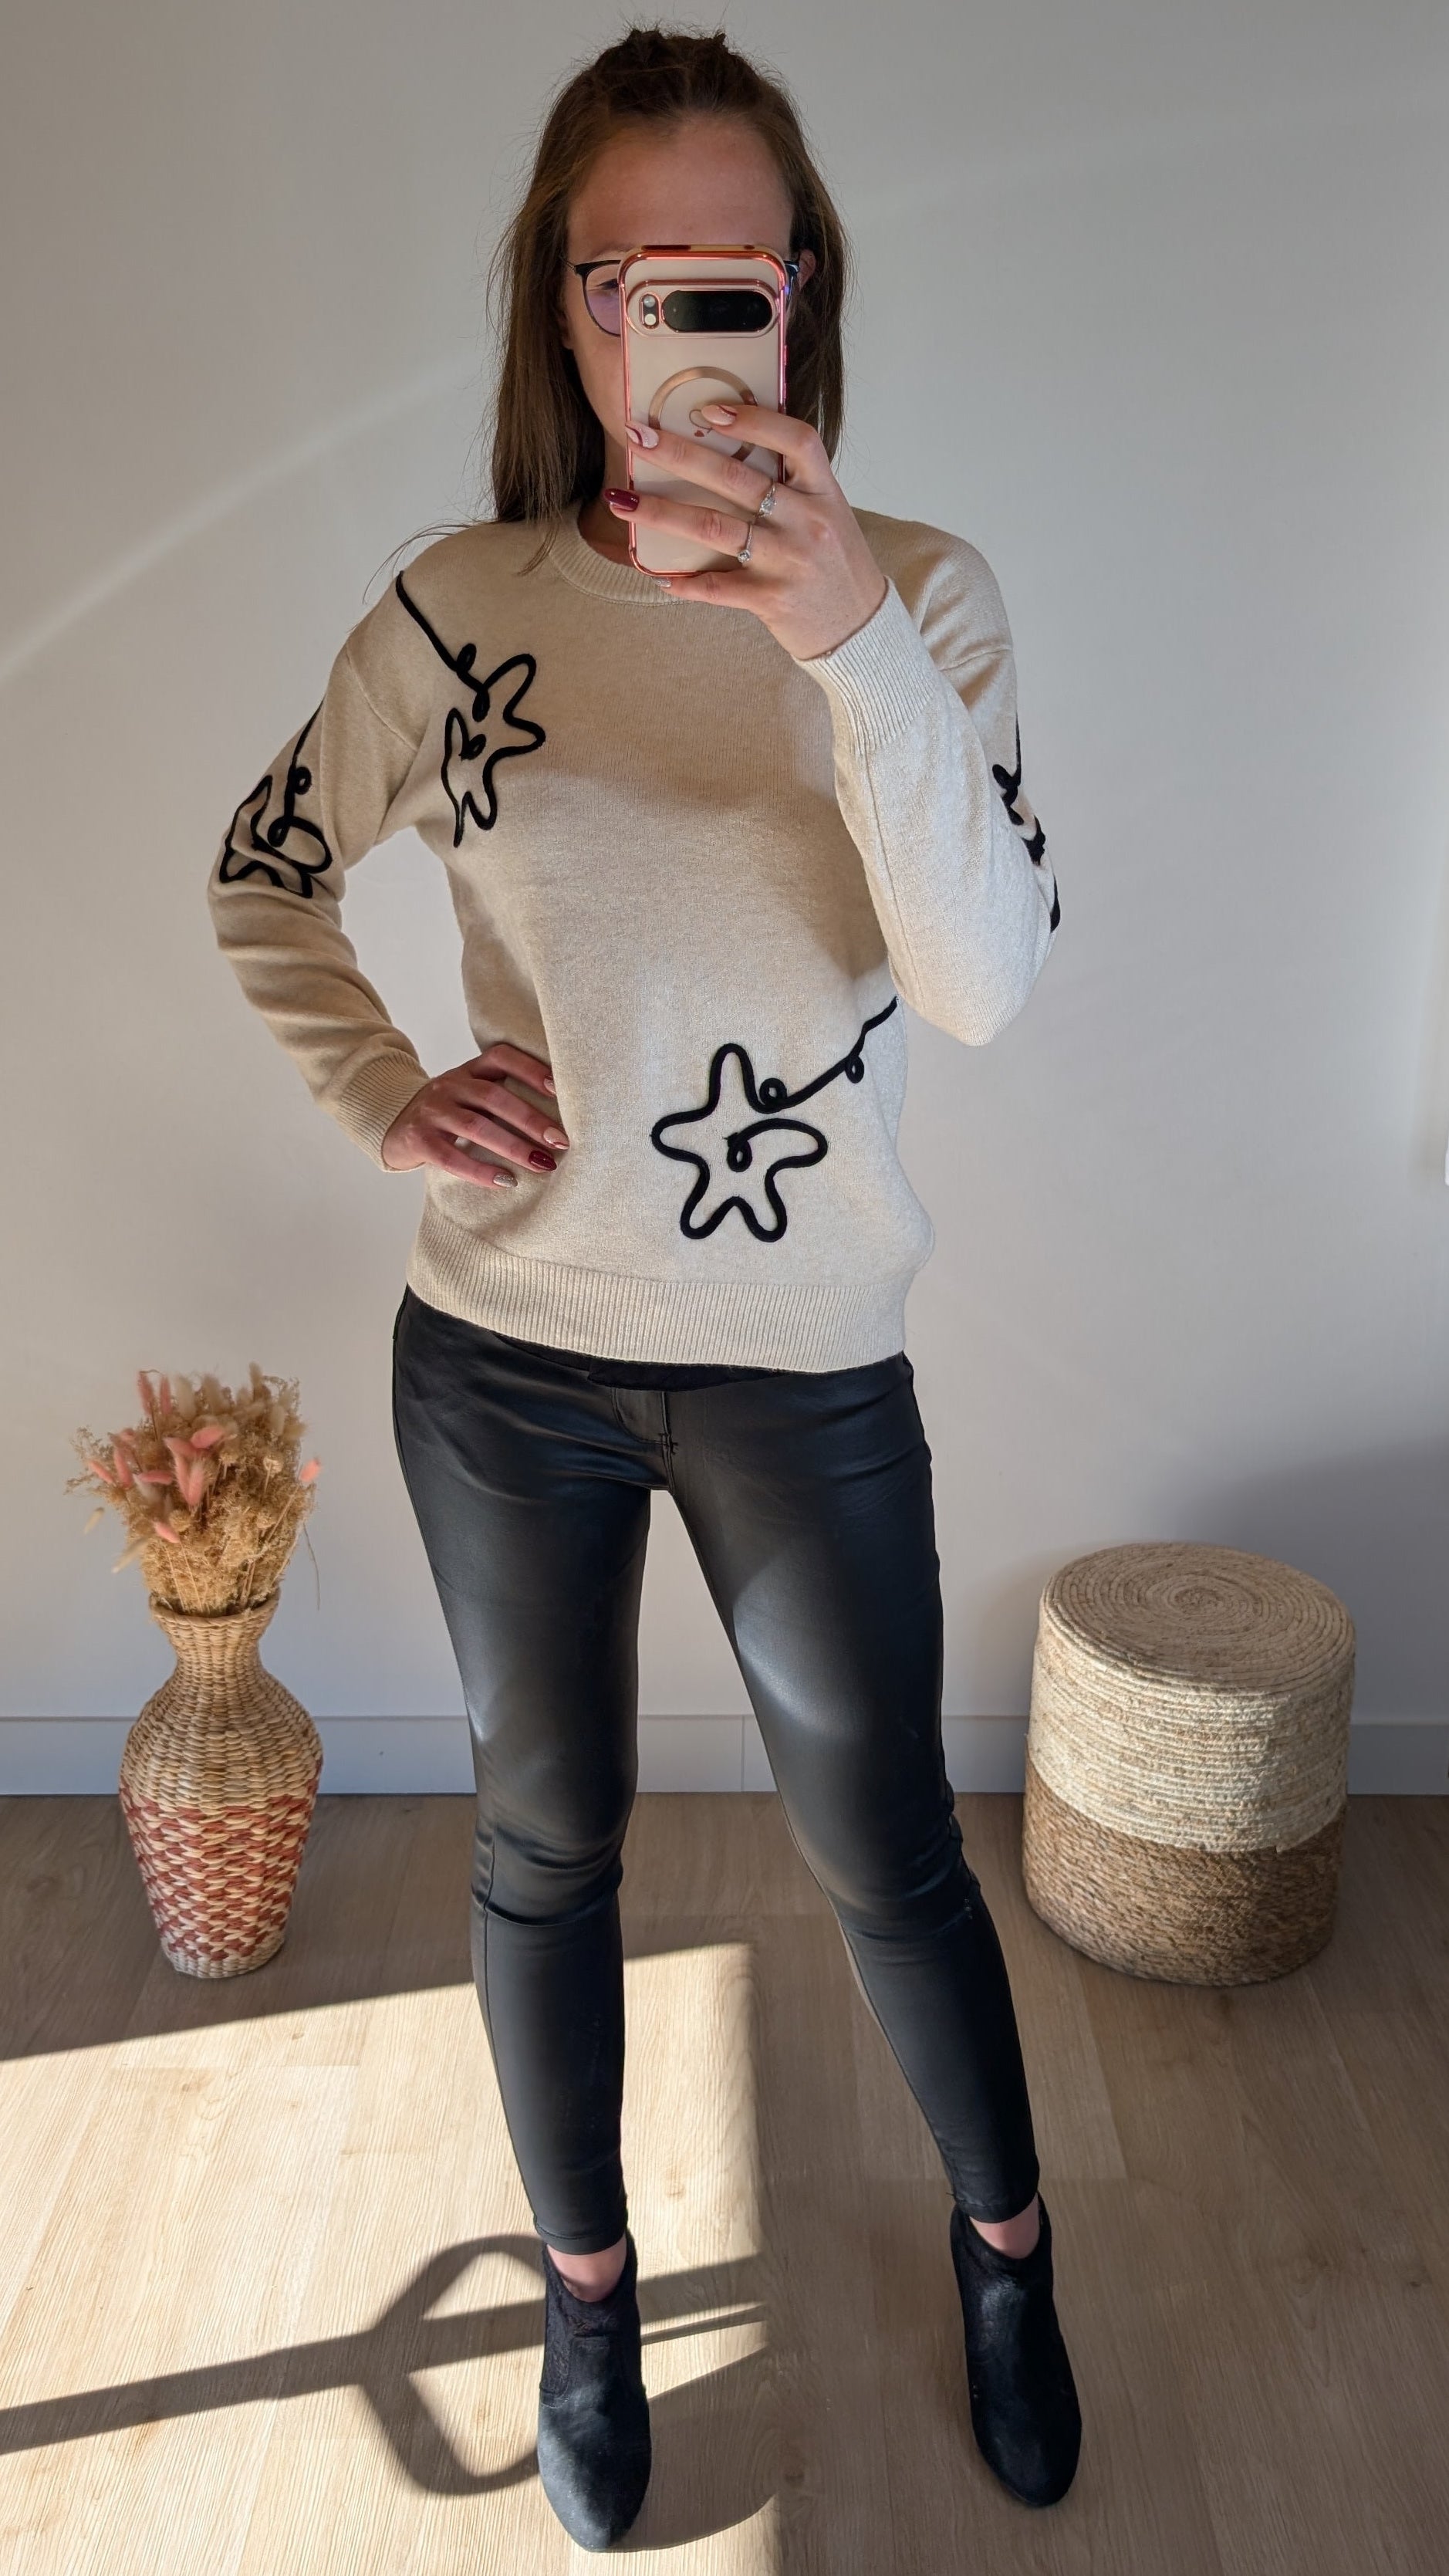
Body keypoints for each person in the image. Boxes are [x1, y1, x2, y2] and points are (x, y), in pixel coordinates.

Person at [208, 22, 1079, 2550]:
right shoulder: (464, 609)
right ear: (563, 307)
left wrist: (841, 633)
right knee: (545, 1837)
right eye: (627, 280)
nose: (679, 326)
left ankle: (1009, 2250)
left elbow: (986, 980)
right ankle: (587, 2298)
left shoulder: (921, 597)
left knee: (886, 1839)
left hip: (804, 1364)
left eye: (731, 274)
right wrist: (387, 1088)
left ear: (800, 295)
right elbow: (267, 867)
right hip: (508, 1357)